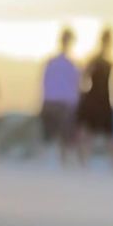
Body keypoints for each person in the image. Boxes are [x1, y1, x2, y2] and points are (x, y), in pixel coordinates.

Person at [41, 28, 80, 165]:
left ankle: (46, 165)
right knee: (67, 139)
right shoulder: (72, 64)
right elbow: (77, 85)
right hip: (65, 104)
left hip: (50, 102)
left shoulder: (51, 62)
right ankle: (65, 165)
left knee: (48, 138)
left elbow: (44, 83)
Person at [77, 27, 113, 164]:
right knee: (87, 132)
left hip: (105, 99)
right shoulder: (96, 60)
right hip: (94, 98)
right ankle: (84, 162)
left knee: (109, 134)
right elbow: (84, 76)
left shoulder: (109, 61)